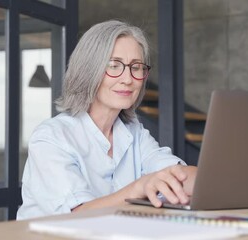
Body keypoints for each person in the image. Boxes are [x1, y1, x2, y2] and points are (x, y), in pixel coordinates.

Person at [16, 20, 197, 220]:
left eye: (136, 67)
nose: (128, 79)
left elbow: (177, 174)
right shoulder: (52, 137)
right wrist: (140, 186)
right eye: (114, 65)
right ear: (88, 71)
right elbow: (78, 215)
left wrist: (215, 177)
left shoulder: (134, 133)